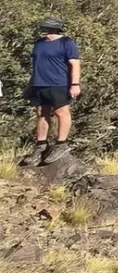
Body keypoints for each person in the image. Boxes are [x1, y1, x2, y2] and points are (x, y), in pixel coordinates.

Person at [20, 18, 81, 166]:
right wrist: (31, 84)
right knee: (41, 113)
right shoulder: (39, 43)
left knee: (62, 112)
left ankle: (61, 144)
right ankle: (41, 145)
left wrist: (75, 84)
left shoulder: (66, 42)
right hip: (39, 83)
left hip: (58, 83)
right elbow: (36, 65)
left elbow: (75, 64)